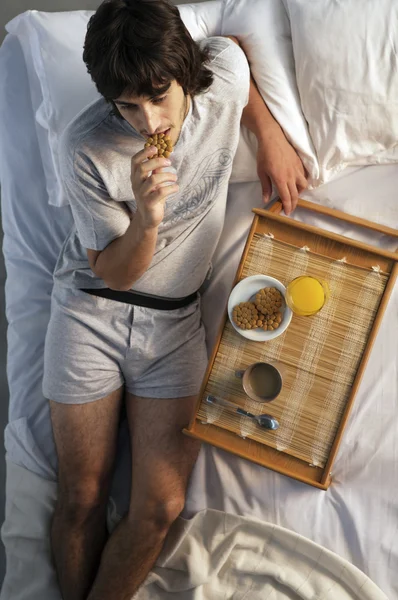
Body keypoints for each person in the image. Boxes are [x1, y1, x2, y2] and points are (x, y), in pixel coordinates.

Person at [42, 1, 307, 598]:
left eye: (158, 96)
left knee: (160, 506)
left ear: (186, 72)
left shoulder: (222, 79)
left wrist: (268, 135)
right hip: (92, 311)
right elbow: (113, 273)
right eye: (127, 105)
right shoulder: (84, 145)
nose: (147, 120)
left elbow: (236, 43)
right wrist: (148, 216)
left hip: (175, 327)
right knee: (82, 496)